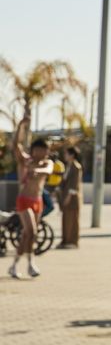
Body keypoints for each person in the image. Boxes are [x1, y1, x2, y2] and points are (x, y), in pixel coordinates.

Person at [9, 111, 53, 278]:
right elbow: (16, 145)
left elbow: (48, 169)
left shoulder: (47, 163)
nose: (42, 153)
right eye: (39, 149)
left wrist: (38, 170)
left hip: (37, 201)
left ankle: (14, 265)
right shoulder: (25, 161)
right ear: (34, 150)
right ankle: (31, 263)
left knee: (27, 235)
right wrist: (21, 125)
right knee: (32, 232)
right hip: (24, 201)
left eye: (45, 150)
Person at [57, 145, 82, 248]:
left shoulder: (76, 167)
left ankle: (73, 242)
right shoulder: (68, 166)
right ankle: (65, 241)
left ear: (72, 155)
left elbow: (74, 184)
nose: (64, 155)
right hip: (65, 197)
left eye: (66, 153)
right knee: (66, 220)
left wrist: (68, 197)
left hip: (72, 198)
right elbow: (64, 182)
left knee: (73, 220)